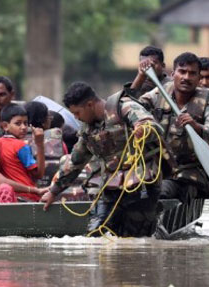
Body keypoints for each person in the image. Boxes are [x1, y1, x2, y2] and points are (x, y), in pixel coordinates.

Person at [42, 81, 163, 237]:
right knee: (95, 233)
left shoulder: (123, 107)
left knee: (134, 238)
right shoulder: (88, 129)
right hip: (110, 187)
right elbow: (75, 162)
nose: (76, 118)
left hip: (140, 185)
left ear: (90, 104)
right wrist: (53, 191)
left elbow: (154, 127)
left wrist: (143, 128)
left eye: (77, 113)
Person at [139, 52, 209, 202]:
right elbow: (130, 107)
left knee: (161, 191)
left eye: (192, 74)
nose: (186, 77)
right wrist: (140, 77)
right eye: (182, 72)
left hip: (187, 175)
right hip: (155, 170)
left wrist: (196, 126)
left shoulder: (206, 103)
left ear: (198, 79)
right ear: (173, 74)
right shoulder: (158, 93)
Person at [0, 104, 45, 201]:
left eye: (25, 123)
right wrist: (40, 144)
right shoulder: (21, 146)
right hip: (27, 195)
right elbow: (39, 174)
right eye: (18, 124)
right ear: (5, 126)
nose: (23, 127)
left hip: (8, 195)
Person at [25, 101, 67, 187]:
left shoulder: (15, 140)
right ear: (43, 121)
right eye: (49, 116)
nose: (51, 119)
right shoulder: (58, 142)